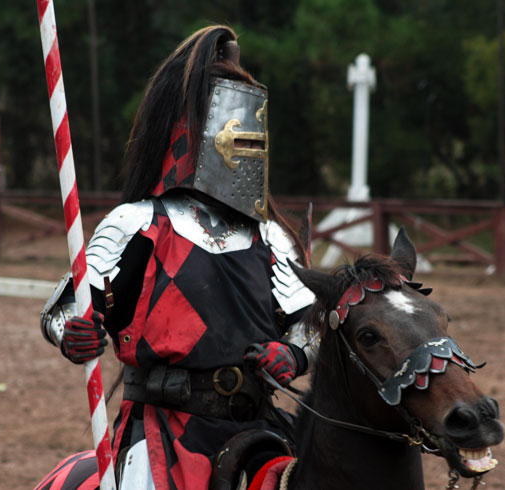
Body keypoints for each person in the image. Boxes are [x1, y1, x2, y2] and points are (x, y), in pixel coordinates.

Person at [38, 25, 318, 490]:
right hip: (161, 435)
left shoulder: (270, 238)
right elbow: (64, 308)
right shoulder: (138, 224)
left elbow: (313, 325)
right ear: (195, 136)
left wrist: (293, 352)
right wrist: (74, 331)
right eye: (237, 137)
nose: (248, 148)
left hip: (259, 433)